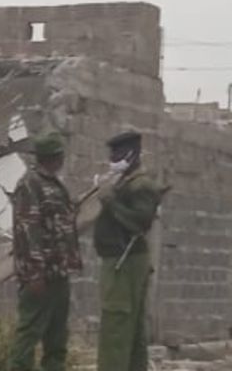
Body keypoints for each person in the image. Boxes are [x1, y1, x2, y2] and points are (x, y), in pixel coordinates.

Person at [9, 132, 81, 371]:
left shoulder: (54, 185)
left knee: (57, 338)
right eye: (59, 155)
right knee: (29, 334)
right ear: (52, 157)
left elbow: (60, 223)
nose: (62, 159)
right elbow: (27, 232)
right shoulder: (30, 184)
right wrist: (35, 273)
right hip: (40, 276)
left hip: (58, 272)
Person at [94, 129, 164, 371]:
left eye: (118, 153)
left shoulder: (141, 185)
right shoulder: (125, 182)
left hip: (124, 262)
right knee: (130, 331)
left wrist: (110, 201)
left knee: (117, 327)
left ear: (132, 154)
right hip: (122, 262)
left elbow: (139, 223)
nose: (112, 159)